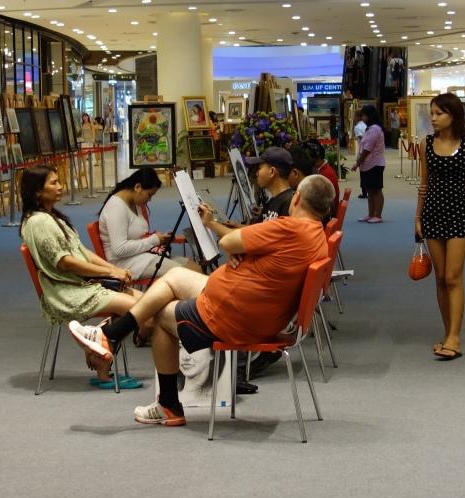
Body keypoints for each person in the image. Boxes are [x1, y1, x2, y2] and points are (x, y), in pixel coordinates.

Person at [68, 175, 336, 427]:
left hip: (231, 316)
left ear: (296, 198)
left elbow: (227, 242)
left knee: (160, 314)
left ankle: (168, 405)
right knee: (174, 277)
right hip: (253, 310)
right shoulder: (317, 237)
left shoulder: (288, 228)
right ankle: (110, 335)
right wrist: (250, 253)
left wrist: (241, 249)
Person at [19, 165, 142, 387]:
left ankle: (98, 341)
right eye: (53, 183)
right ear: (37, 191)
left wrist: (114, 270)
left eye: (58, 181)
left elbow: (81, 251)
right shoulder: (39, 222)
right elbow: (66, 263)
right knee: (140, 310)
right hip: (68, 292)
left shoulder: (52, 216)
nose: (60, 186)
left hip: (81, 284)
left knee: (146, 303)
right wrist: (110, 271)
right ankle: (100, 349)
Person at [416, 94, 465, 360]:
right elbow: (423, 184)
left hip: (457, 214)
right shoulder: (426, 144)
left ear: (454, 115)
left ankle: (455, 338)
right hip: (432, 213)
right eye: (432, 113)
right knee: (440, 277)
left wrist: (454, 189)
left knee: (453, 276)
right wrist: (418, 218)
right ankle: (448, 333)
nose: (433, 118)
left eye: (439, 113)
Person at [97, 168, 198, 279]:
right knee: (190, 276)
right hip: (124, 263)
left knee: (196, 269)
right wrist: (154, 240)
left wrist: (159, 238)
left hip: (140, 255)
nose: (150, 200)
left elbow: (138, 236)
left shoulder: (134, 202)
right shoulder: (116, 208)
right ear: (137, 187)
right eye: (149, 195)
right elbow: (119, 250)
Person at [200, 146, 295, 231]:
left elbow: (262, 239)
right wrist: (238, 226)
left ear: (272, 172)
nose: (256, 173)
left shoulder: (289, 204)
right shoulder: (273, 201)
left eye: (259, 168)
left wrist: (211, 223)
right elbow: (258, 231)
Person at [350, 105, 386, 222]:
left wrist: (357, 163)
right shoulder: (370, 128)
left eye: (364, 115)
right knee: (370, 190)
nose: (363, 118)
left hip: (374, 164)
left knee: (376, 190)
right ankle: (371, 214)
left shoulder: (375, 129)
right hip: (368, 164)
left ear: (370, 115)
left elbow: (367, 149)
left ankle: (378, 215)